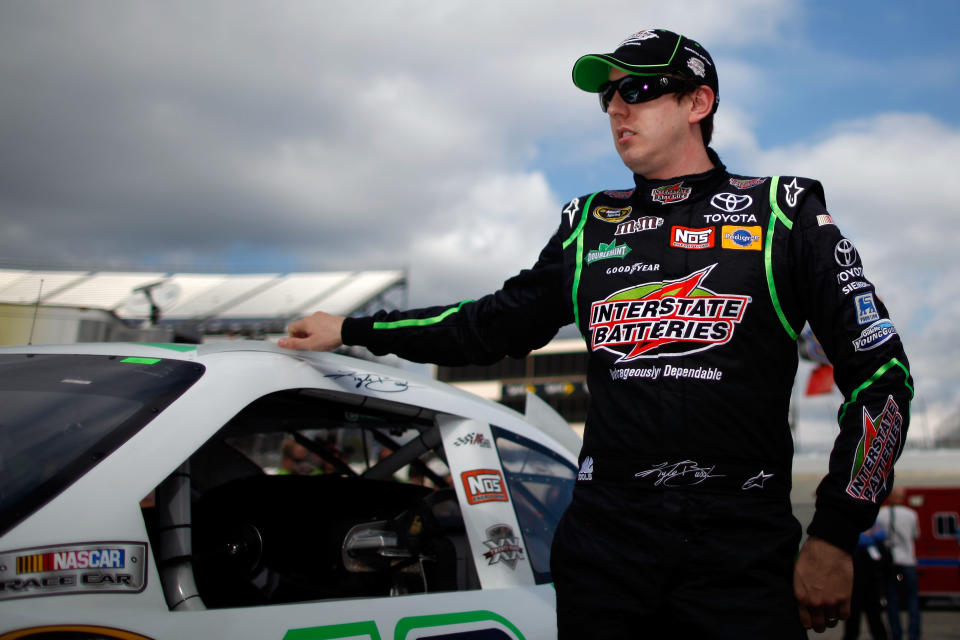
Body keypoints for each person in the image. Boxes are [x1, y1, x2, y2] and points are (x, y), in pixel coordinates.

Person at [279, 28, 914, 638]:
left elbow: (883, 378)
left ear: (699, 102)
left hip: (739, 551)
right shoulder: (589, 223)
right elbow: (487, 326)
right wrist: (354, 327)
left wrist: (834, 534)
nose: (616, 108)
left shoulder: (785, 209)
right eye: (607, 95)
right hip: (606, 551)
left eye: (637, 90)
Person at [876, 486, 922, 640]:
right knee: (912, 599)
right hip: (908, 561)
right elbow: (916, 535)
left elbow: (877, 537)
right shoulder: (911, 514)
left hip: (890, 563)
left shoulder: (880, 514)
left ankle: (896, 634)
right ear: (902, 498)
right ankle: (913, 634)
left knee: (892, 599)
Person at [844, 523, 890, 640]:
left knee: (871, 616)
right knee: (858, 617)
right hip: (860, 581)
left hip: (866, 582)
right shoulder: (870, 539)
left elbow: (881, 535)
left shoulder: (871, 528)